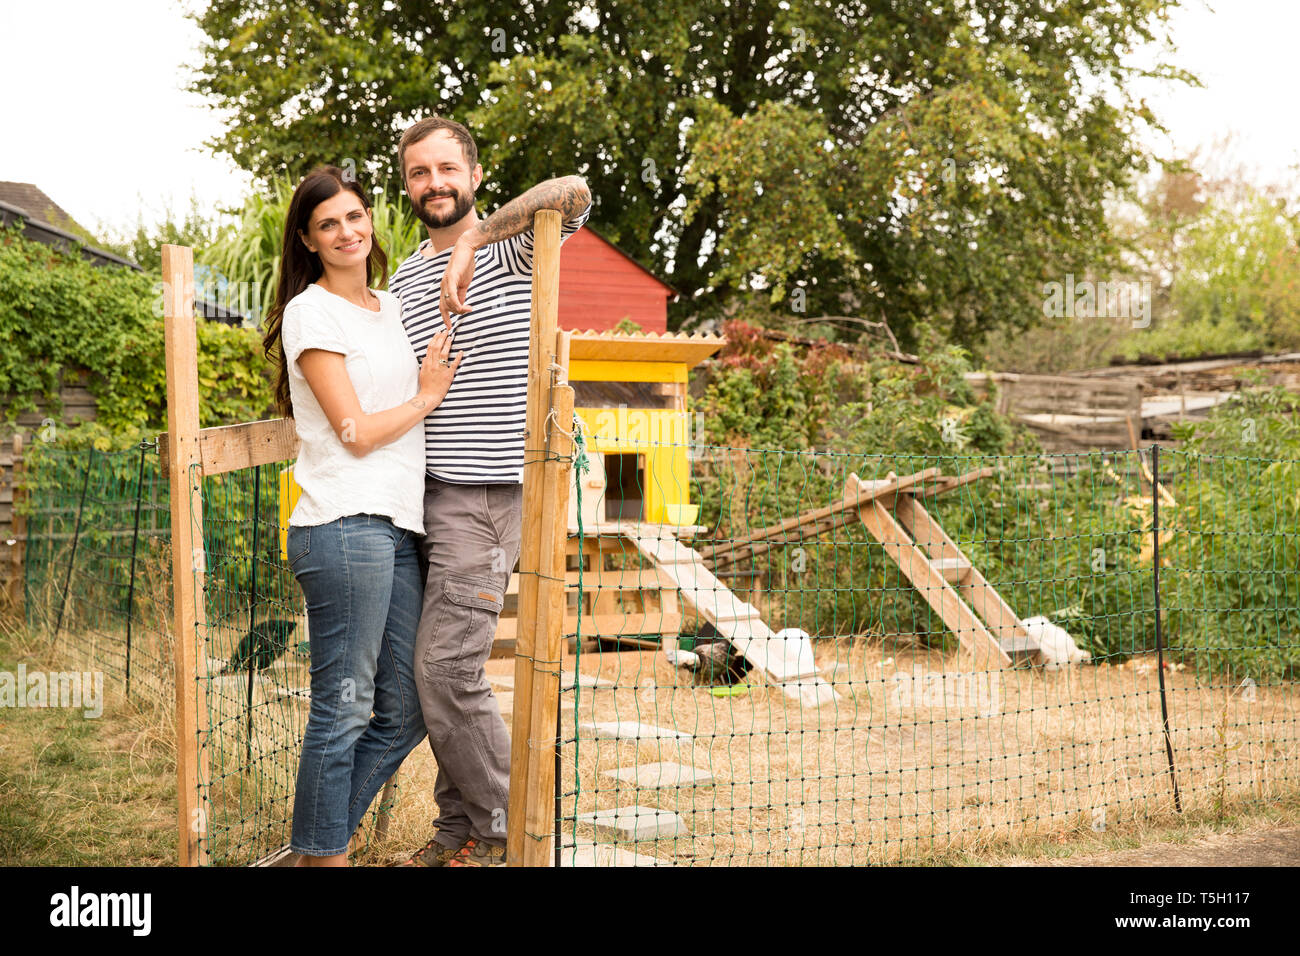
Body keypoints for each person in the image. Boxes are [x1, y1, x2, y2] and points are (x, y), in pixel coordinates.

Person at [389, 116, 591, 867]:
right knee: (431, 673)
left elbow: (573, 190)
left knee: (446, 670)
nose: (433, 184)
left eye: (447, 169)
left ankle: (516, 836)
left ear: (474, 175)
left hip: (486, 495)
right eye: (418, 173)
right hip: (420, 497)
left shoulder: (514, 247)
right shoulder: (406, 276)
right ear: (406, 185)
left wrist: (472, 242)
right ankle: (459, 833)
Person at [262, 165, 463, 866]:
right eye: (328, 224)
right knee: (343, 704)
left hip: (397, 525)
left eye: (354, 216)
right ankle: (326, 856)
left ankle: (316, 844)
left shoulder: (392, 306)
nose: (346, 232)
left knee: (407, 705)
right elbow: (352, 430)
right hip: (343, 525)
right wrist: (428, 396)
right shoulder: (310, 312)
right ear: (308, 240)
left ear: (369, 220)